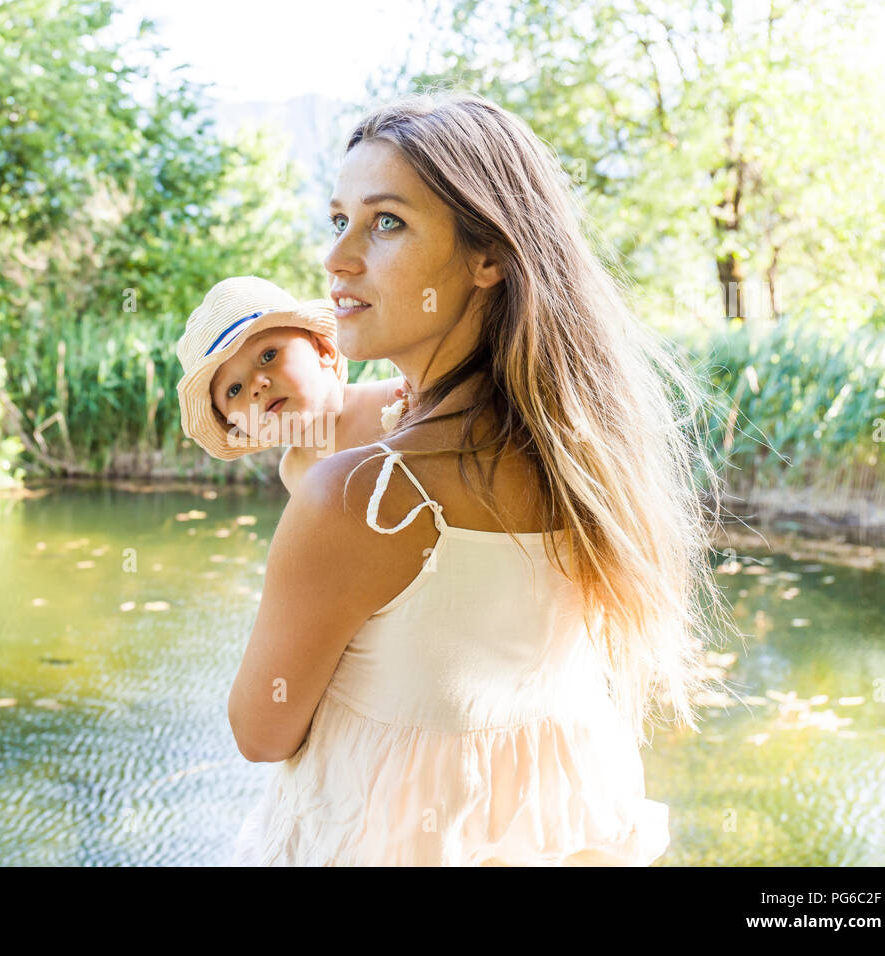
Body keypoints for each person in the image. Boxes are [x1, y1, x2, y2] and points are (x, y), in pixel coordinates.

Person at [225, 91, 734, 866]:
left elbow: (260, 732)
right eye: (339, 221)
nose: (337, 259)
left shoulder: (356, 497)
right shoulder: (588, 458)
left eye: (385, 221)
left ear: (488, 255)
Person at [175, 275, 405, 492]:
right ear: (231, 422)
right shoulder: (293, 470)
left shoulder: (397, 398)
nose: (256, 386)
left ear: (324, 349)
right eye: (234, 390)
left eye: (268, 356)